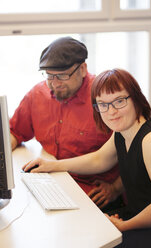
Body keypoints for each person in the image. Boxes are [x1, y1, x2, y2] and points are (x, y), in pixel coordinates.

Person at [24, 68, 151, 247]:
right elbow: (99, 159)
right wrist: (52, 165)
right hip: (138, 217)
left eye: (119, 101)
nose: (111, 111)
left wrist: (123, 225)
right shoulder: (122, 132)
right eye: (102, 104)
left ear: (136, 98)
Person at [10, 37, 123, 211]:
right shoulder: (37, 94)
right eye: (49, 76)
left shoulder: (105, 97)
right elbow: (14, 132)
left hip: (94, 194)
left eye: (62, 76)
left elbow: (135, 151)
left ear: (83, 69)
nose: (55, 84)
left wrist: (115, 188)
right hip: (53, 181)